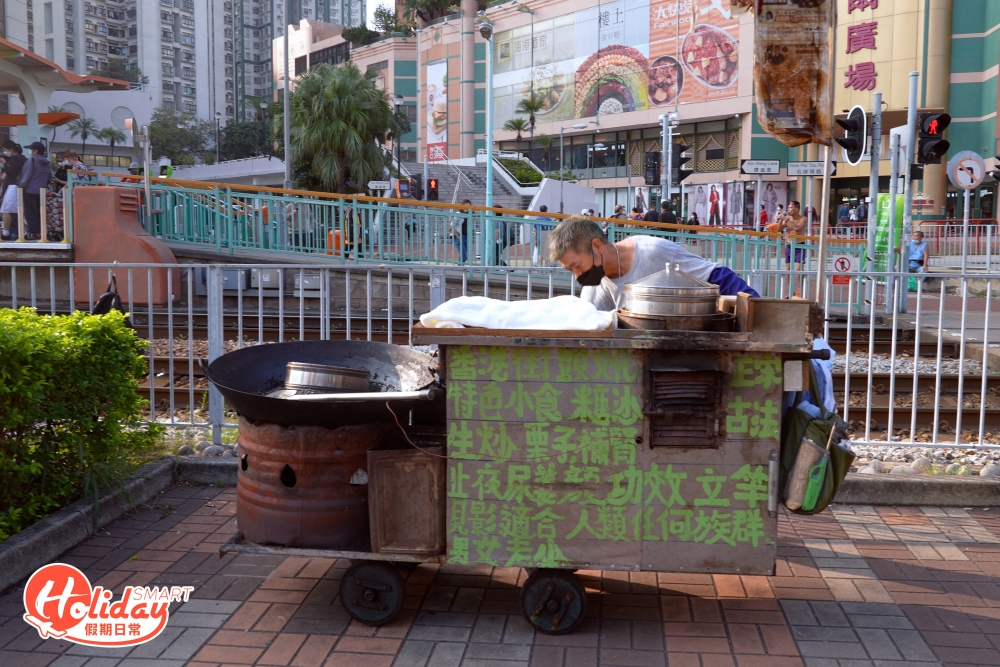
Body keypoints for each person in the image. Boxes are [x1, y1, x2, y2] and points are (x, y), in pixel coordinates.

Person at [549, 216, 759, 310]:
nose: (577, 276)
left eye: (577, 266)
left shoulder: (653, 252)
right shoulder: (595, 287)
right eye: (570, 270)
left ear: (596, 246)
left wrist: (756, 309)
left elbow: (719, 277)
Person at [18, 142, 52, 239]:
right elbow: (49, 178)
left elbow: (26, 176)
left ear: (36, 151)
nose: (31, 151)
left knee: (31, 213)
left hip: (29, 191)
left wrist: (20, 187)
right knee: (40, 212)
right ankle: (43, 232)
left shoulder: (31, 160)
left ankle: (37, 234)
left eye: (32, 150)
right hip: (41, 192)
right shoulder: (47, 162)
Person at [777, 200, 809, 296]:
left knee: (799, 268)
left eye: (790, 208)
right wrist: (781, 219)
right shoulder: (788, 219)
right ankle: (790, 290)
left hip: (800, 245)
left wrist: (786, 220)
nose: (788, 210)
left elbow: (797, 228)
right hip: (789, 244)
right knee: (788, 268)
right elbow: (779, 229)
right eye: (788, 208)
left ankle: (800, 290)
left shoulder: (803, 219)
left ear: (797, 209)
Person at [1, 141, 26, 239]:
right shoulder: (21, 158)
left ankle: (6, 232)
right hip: (18, 186)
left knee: (6, 209)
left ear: (11, 149)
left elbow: (11, 173)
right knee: (17, 210)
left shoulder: (15, 158)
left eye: (5, 150)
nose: (5, 152)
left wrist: (4, 163)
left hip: (13, 186)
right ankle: (18, 232)